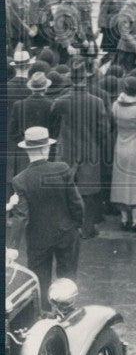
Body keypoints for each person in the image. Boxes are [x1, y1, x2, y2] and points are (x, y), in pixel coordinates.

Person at [8, 126, 83, 307]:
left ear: (27, 151)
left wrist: (12, 246)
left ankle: (44, 315)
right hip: (66, 233)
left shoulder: (20, 179)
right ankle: (67, 313)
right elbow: (77, 203)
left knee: (40, 280)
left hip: (38, 238)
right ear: (46, 148)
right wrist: (77, 225)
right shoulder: (63, 169)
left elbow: (21, 216)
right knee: (67, 278)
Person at [49, 58, 110, 238]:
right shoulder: (97, 102)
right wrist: (94, 143)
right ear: (86, 78)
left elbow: (51, 124)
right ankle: (86, 228)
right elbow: (104, 130)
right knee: (88, 193)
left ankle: (65, 226)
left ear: (71, 79)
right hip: (89, 151)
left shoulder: (61, 101)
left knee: (64, 191)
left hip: (66, 151)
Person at [109, 75, 136, 231]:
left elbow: (113, 123)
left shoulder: (115, 105)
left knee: (121, 181)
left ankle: (124, 218)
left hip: (120, 145)